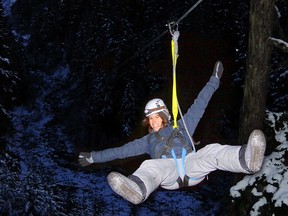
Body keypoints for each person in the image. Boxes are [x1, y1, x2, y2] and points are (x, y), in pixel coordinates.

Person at [78, 61, 266, 205]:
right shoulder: (147, 140)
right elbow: (120, 151)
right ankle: (137, 188)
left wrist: (214, 80)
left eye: (156, 117)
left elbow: (200, 103)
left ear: (165, 116)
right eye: (150, 119)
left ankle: (246, 159)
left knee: (212, 151)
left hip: (191, 165)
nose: (152, 121)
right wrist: (93, 157)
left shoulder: (183, 126)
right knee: (149, 165)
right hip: (167, 171)